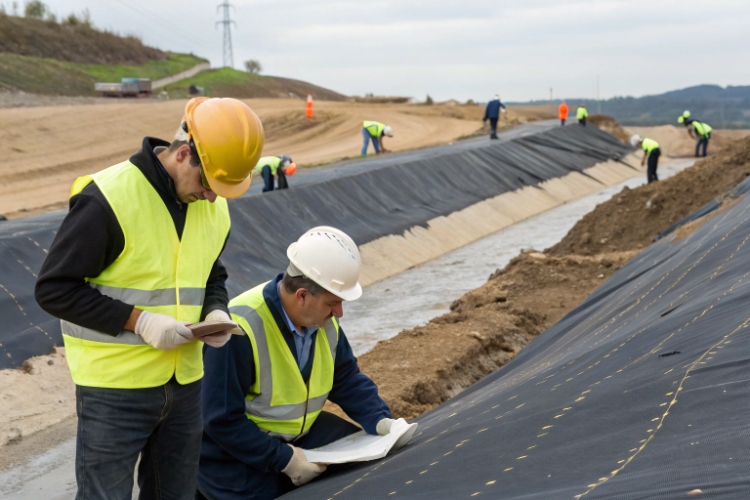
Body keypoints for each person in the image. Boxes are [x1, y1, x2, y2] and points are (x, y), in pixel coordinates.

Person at [34, 96, 264, 499]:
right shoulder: (109, 198)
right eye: (208, 183)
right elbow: (55, 288)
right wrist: (140, 321)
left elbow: (211, 271)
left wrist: (215, 309)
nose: (212, 197)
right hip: (114, 390)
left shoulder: (214, 208)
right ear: (184, 153)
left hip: (186, 384)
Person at [197, 226, 407, 500]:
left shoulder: (322, 321)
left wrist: (379, 420)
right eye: (333, 302)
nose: (339, 312)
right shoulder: (240, 328)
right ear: (302, 296)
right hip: (233, 457)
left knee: (362, 469)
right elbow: (221, 420)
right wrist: (286, 460)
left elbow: (344, 377)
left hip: (297, 438)